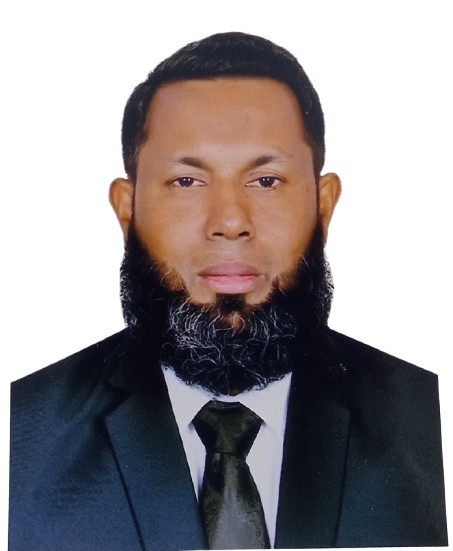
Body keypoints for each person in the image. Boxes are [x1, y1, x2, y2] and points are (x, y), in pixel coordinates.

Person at [9, 32, 447, 550]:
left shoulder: (430, 423)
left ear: (323, 205)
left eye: (266, 181)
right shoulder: (18, 437)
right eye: (187, 182)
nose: (231, 221)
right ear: (127, 210)